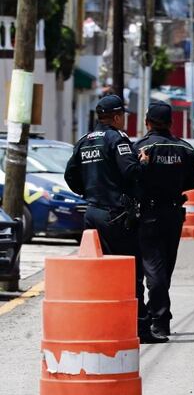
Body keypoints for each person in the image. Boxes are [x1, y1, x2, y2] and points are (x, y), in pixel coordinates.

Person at [64, 95, 159, 343]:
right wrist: (144, 163)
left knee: (99, 272)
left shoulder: (84, 142)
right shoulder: (116, 139)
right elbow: (131, 172)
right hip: (116, 215)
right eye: (123, 115)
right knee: (131, 272)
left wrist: (89, 192)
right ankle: (140, 328)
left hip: (92, 214)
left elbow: (70, 176)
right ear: (116, 117)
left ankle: (101, 324)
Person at [135, 101, 194, 340]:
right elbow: (193, 182)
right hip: (173, 213)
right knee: (165, 267)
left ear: (147, 122)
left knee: (154, 268)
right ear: (171, 123)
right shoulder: (185, 149)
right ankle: (159, 317)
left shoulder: (140, 147)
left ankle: (159, 320)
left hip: (149, 213)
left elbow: (132, 177)